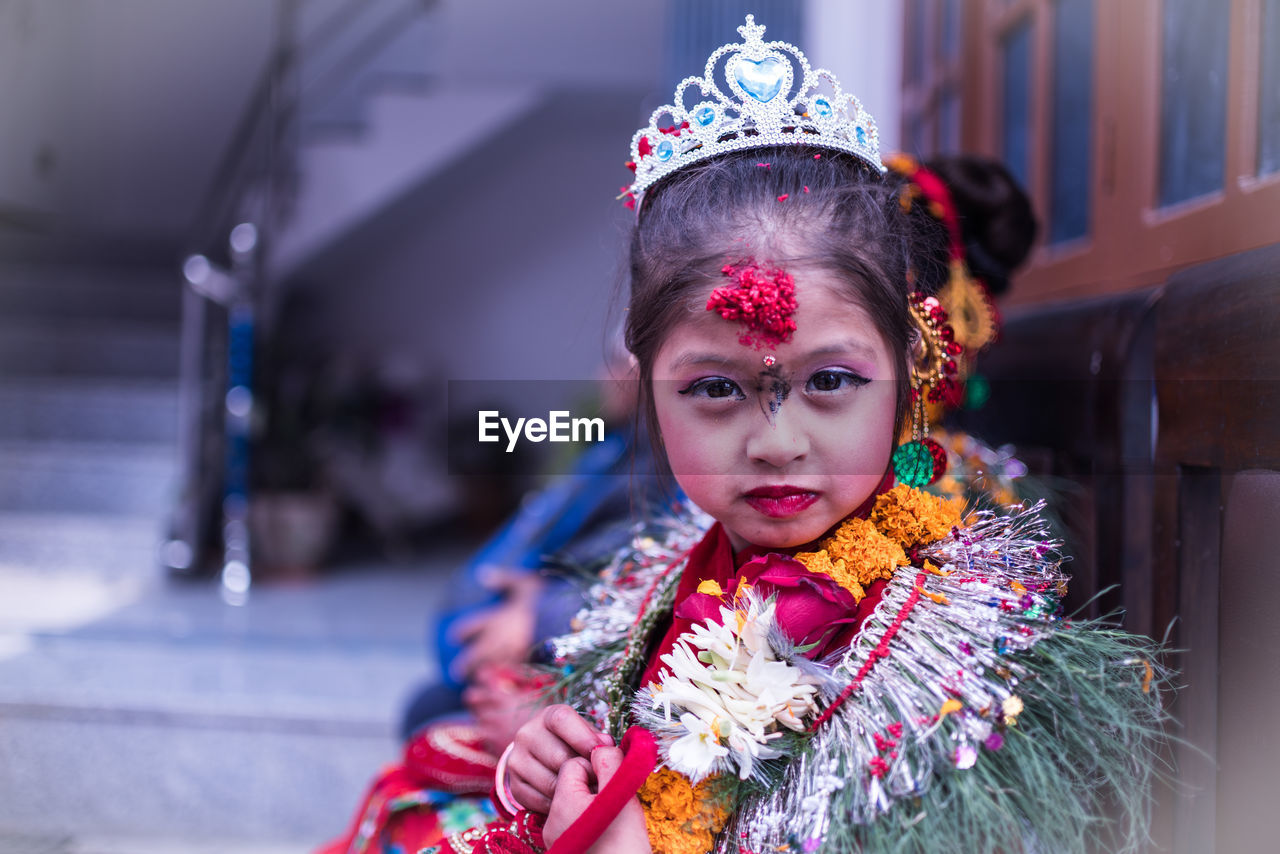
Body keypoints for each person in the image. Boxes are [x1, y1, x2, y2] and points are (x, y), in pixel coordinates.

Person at [322, 17, 1168, 854]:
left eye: (830, 381)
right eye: (716, 389)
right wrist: (551, 756)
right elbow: (617, 728)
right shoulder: (678, 566)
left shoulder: (951, 645)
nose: (774, 442)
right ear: (644, 392)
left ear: (911, 371)